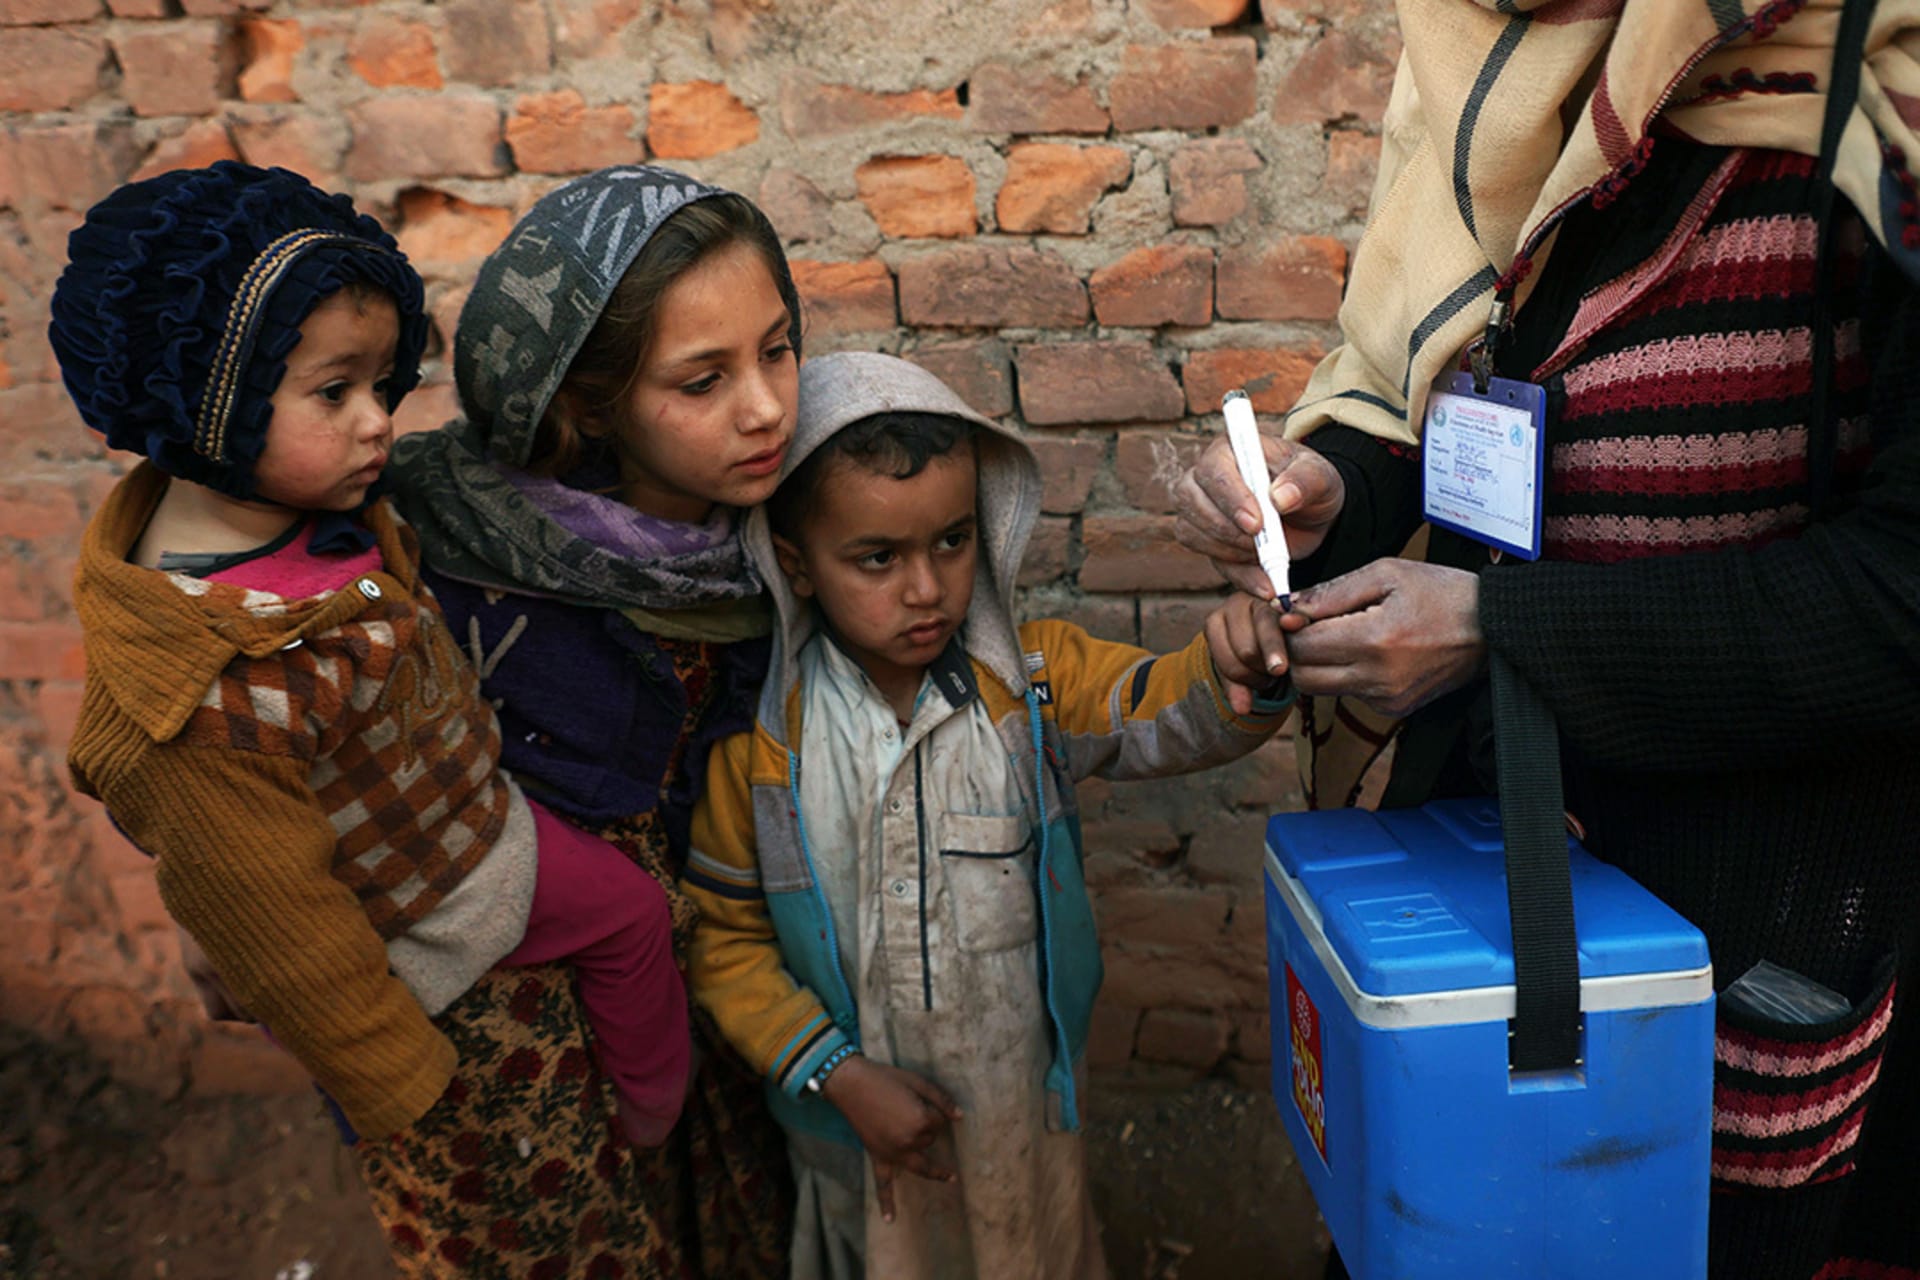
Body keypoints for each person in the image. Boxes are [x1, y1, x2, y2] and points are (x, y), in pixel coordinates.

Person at [1172, 3, 1920, 1278]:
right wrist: (1335, 488)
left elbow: (1903, 597)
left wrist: (1498, 629)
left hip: (1757, 929)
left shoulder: (1881, 99)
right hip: (1490, 870)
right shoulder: (1496, 95)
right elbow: (1459, 388)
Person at [51, 161, 691, 1174]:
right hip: (438, 879)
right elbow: (284, 937)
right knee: (630, 917)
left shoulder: (319, 514)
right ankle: (657, 1112)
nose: (378, 421)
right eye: (333, 391)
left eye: (381, 385)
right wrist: (398, 1085)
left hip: (463, 811)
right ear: (208, 405)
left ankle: (650, 1114)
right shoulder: (200, 691)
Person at [678, 351, 1295, 1280]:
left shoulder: (1029, 688)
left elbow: (1160, 711)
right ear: (796, 566)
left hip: (1021, 1111)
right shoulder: (762, 748)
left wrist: (1238, 671)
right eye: (878, 558)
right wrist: (838, 1077)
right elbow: (723, 940)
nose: (926, 589)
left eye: (952, 542)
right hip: (854, 1127)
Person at [381, 164, 803, 1276]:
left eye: (777, 348)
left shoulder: (786, 537)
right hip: (518, 1028)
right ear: (585, 403)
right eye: (702, 379)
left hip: (718, 996)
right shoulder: (438, 545)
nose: (764, 406)